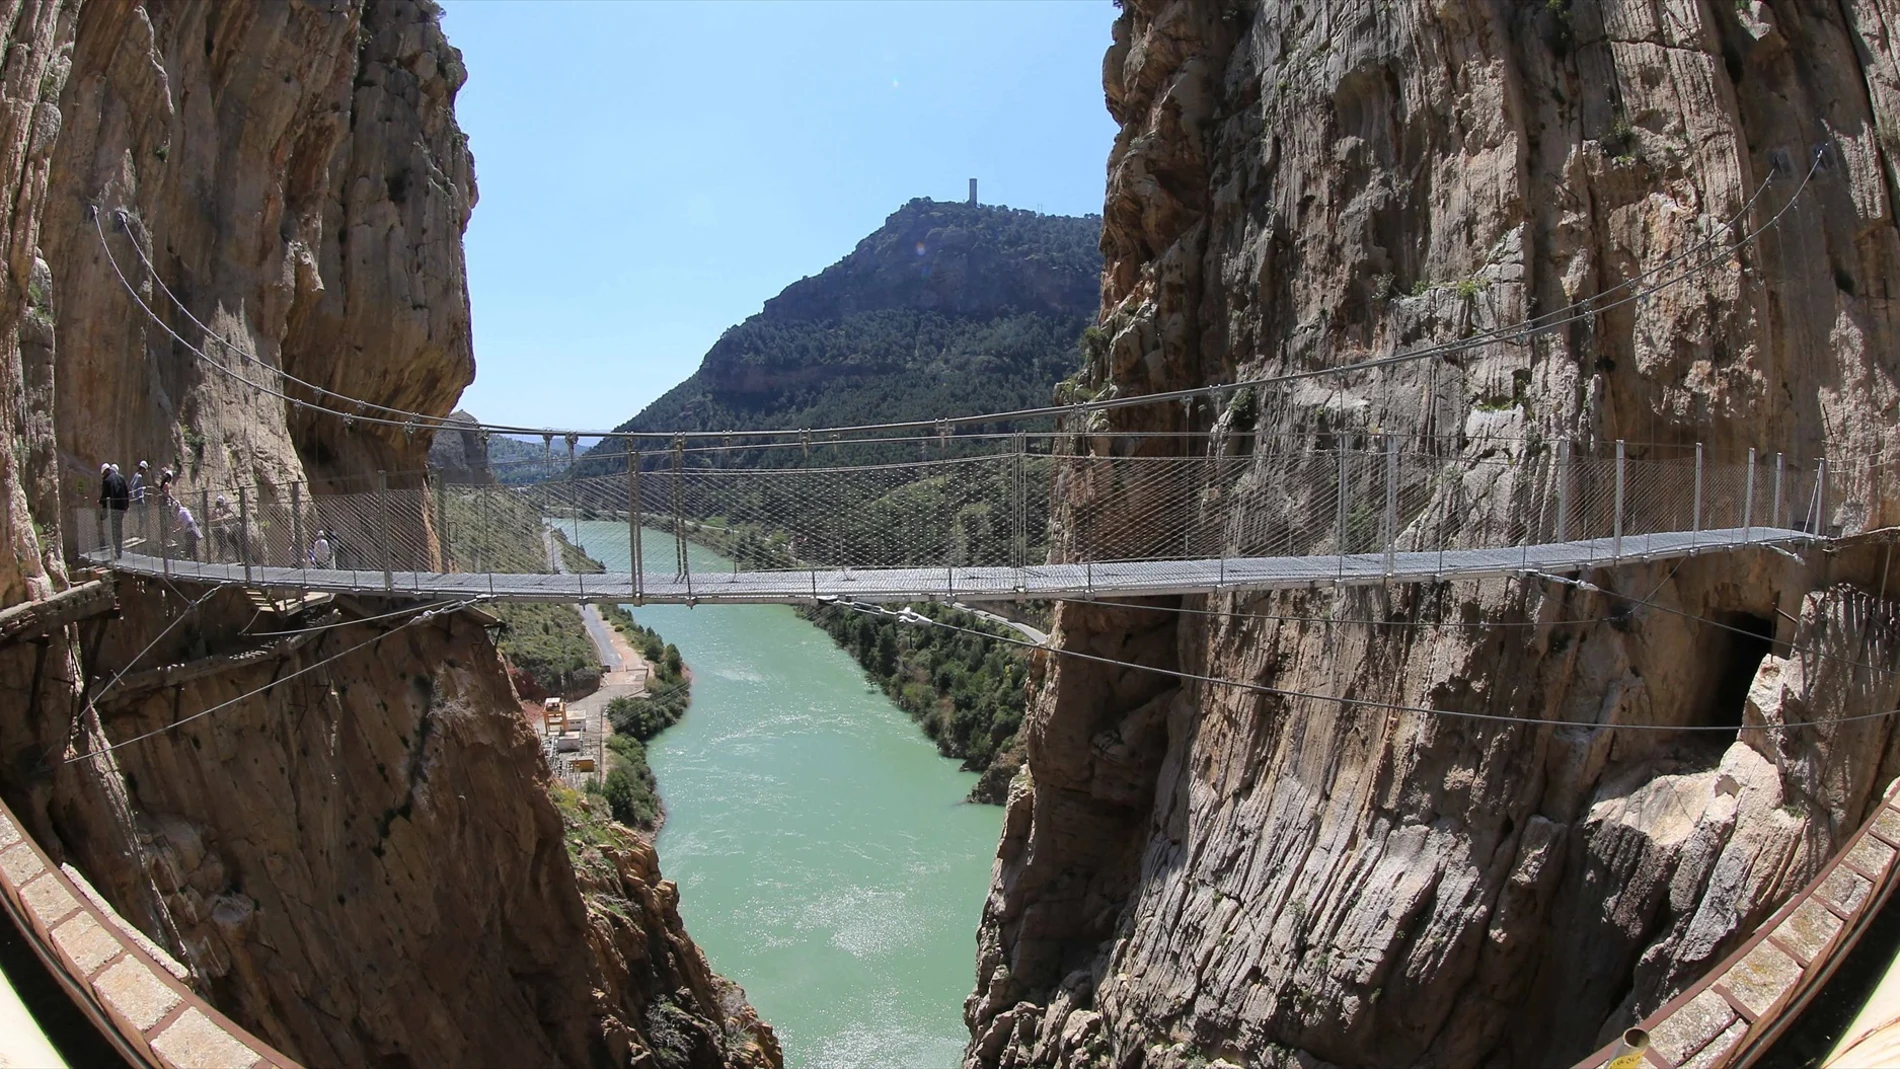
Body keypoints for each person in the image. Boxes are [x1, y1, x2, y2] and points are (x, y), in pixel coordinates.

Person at [98, 462, 129, 558]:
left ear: (106, 471)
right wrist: (126, 506)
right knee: (119, 529)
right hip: (122, 508)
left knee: (114, 530)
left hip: (113, 509)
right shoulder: (121, 478)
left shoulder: (107, 480)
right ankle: (119, 551)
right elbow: (126, 493)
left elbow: (105, 496)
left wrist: (101, 503)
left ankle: (117, 552)